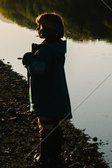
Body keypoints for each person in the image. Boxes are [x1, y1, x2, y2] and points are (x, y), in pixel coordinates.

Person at [22, 13, 72, 167]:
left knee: (45, 128)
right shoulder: (58, 48)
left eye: (39, 26)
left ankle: (44, 157)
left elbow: (39, 69)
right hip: (57, 95)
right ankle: (55, 156)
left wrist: (28, 59)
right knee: (55, 127)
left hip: (45, 96)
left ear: (45, 29)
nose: (37, 29)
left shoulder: (44, 51)